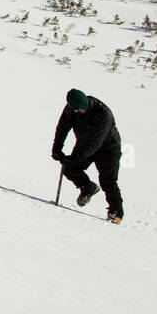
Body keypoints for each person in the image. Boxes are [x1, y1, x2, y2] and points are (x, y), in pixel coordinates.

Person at [53, 89, 124, 224]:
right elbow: (62, 128)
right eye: (74, 109)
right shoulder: (71, 109)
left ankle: (116, 212)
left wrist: (77, 157)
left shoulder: (103, 113)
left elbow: (96, 141)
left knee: (108, 180)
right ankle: (87, 187)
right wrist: (57, 149)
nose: (76, 112)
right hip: (84, 143)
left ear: (85, 105)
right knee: (69, 168)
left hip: (108, 149)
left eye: (79, 110)